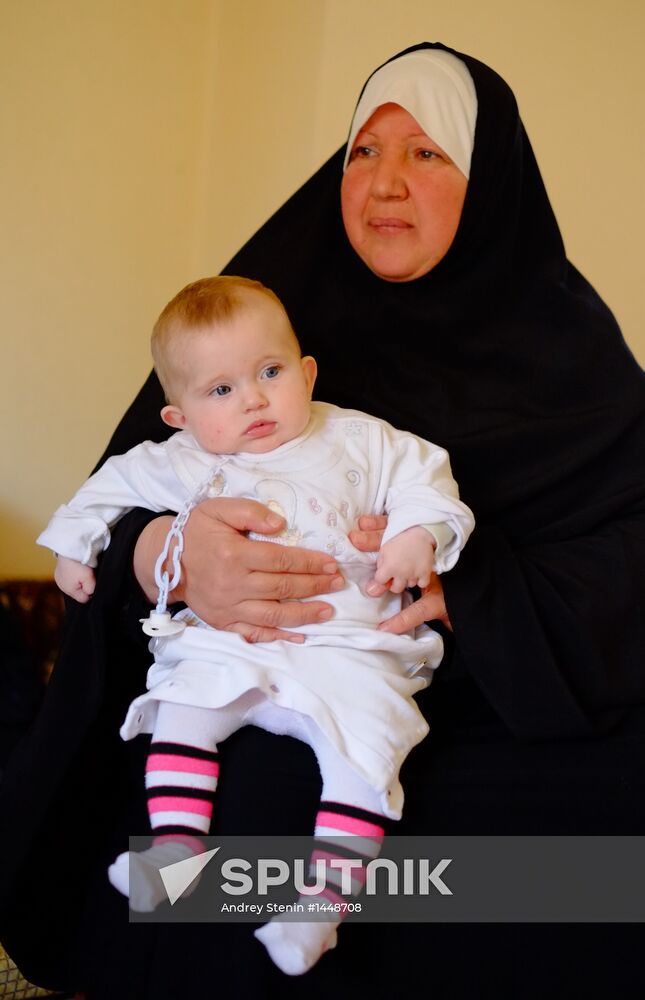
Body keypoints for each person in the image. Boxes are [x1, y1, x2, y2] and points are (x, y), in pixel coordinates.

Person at [1, 41, 644, 1000]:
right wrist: (167, 555)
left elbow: (627, 562)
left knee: (611, 841)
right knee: (250, 805)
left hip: (494, 703)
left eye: (426, 153)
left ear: (488, 181)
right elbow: (124, 493)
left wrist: (470, 591)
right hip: (276, 675)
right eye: (362, 152)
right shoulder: (260, 321)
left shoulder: (574, 360)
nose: (385, 182)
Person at [37, 273, 474, 973]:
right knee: (182, 710)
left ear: (307, 372)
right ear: (179, 416)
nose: (253, 399)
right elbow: (106, 490)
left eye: (270, 372)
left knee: (365, 755)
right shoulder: (182, 461)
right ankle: (175, 852)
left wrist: (417, 535)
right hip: (233, 645)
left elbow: (431, 482)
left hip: (349, 648)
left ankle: (320, 909)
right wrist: (72, 546)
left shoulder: (362, 439)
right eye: (220, 390)